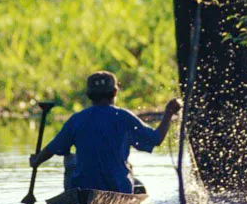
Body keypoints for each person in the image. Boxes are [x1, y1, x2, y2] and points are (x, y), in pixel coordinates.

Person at [29, 70, 181, 194]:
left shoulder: (77, 119)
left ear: (88, 95)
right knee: (127, 167)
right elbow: (156, 139)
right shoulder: (124, 117)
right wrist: (168, 112)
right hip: (118, 188)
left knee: (69, 159)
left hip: (83, 188)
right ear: (115, 92)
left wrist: (36, 161)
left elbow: (52, 148)